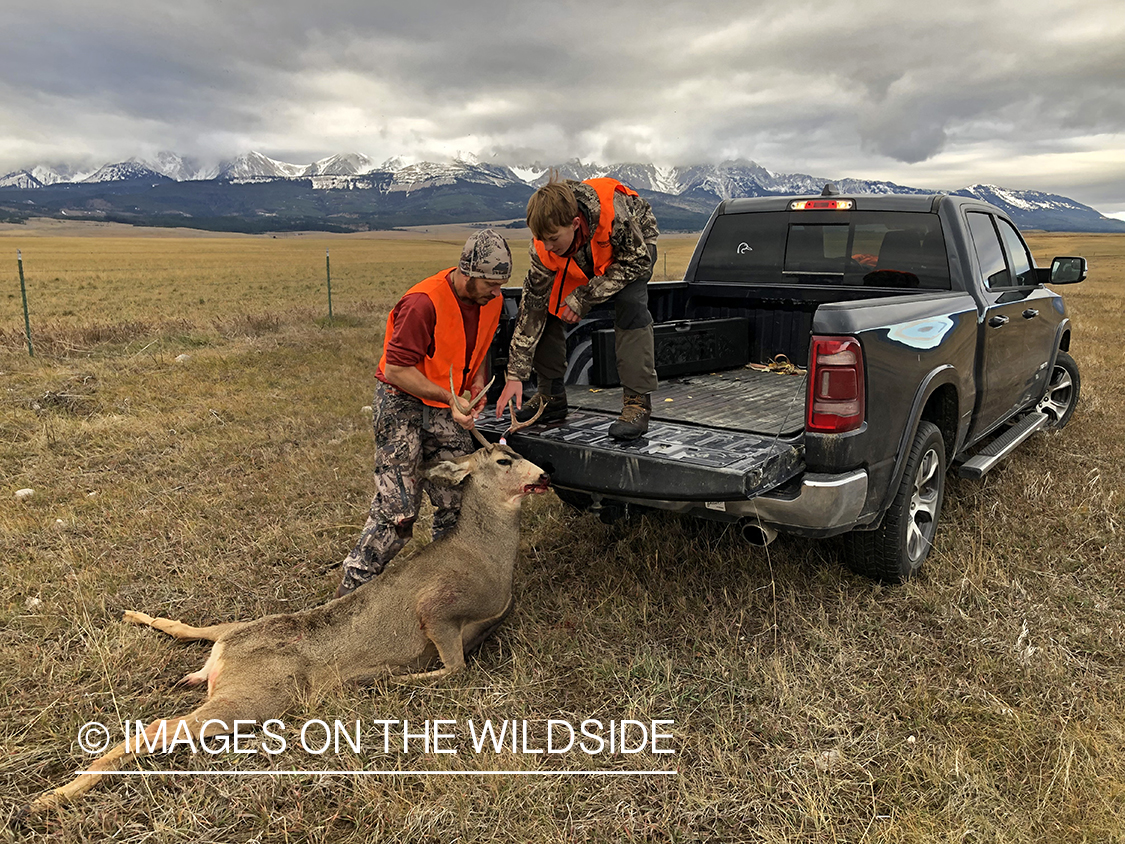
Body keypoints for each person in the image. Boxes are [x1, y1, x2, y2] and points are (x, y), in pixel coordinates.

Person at [335, 229, 512, 598]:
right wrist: (449, 397)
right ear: (468, 272)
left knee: (459, 499)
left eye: (502, 285)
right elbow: (398, 370)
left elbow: (477, 347)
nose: (497, 292)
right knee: (398, 509)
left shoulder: (490, 302)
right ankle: (350, 597)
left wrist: (476, 384)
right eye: (491, 284)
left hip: (445, 402)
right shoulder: (422, 303)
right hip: (402, 401)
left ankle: (449, 587)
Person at [496, 175, 660, 440]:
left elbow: (638, 263)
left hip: (632, 252)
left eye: (552, 238)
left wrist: (583, 297)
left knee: (631, 304)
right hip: (582, 254)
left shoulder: (616, 214)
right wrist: (516, 373)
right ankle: (551, 396)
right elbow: (531, 307)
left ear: (574, 224)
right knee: (547, 305)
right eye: (541, 239)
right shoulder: (544, 247)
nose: (547, 246)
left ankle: (637, 402)